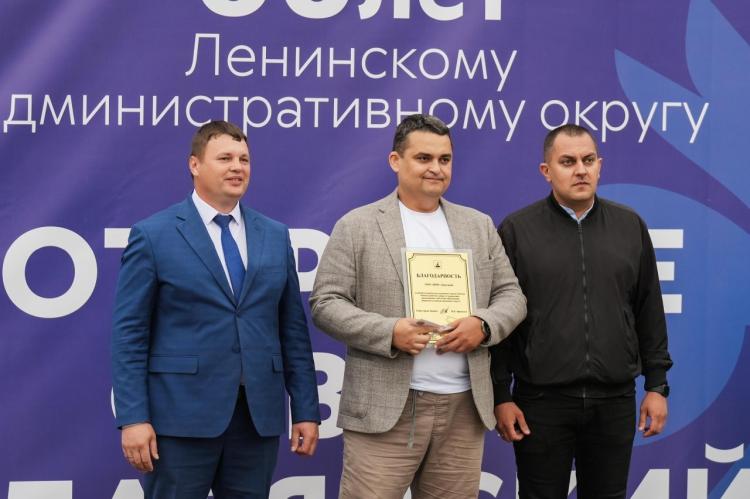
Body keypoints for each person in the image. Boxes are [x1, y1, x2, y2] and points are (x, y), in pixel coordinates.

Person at [309, 114, 527, 498]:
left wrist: (483, 325)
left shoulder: (478, 225)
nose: (435, 168)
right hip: (385, 408)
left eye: (445, 159)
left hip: (463, 407)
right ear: (396, 161)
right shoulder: (357, 225)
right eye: (423, 158)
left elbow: (512, 296)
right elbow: (326, 303)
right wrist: (389, 332)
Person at [111, 120, 320, 499]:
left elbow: (292, 330)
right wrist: (133, 418)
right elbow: (130, 335)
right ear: (194, 165)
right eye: (225, 158)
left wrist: (305, 409)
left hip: (256, 420)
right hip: (179, 420)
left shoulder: (275, 235)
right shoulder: (154, 235)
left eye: (244, 159)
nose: (237, 167)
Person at [491, 124, 673, 499]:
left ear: (600, 166)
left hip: (614, 402)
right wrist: (500, 395)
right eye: (568, 162)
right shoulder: (517, 230)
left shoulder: (629, 226)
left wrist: (657, 387)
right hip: (540, 404)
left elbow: (649, 311)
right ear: (546, 171)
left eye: (588, 160)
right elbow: (502, 319)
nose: (580, 170)